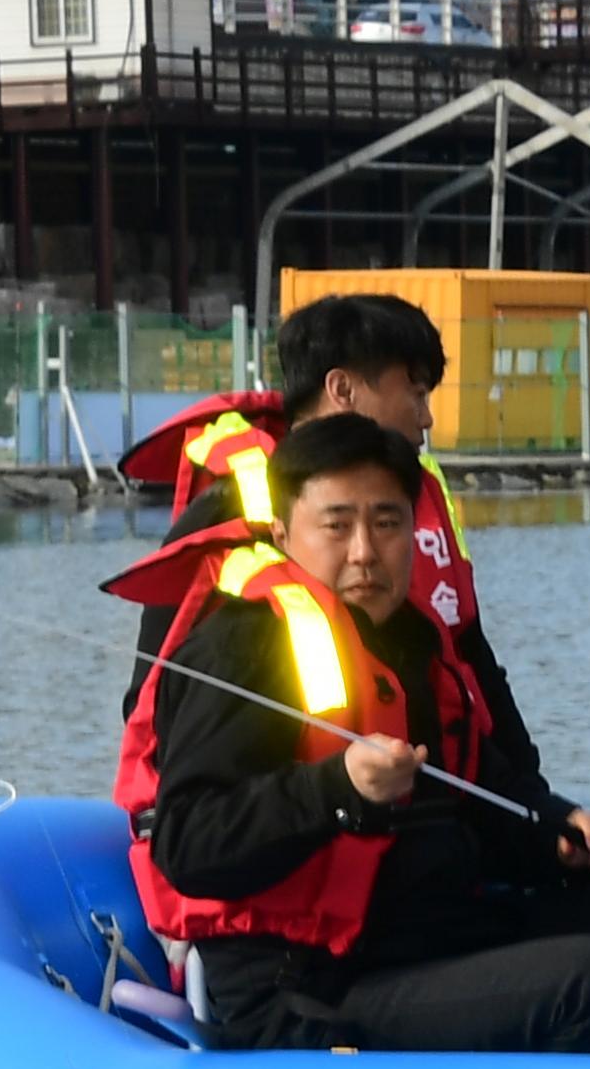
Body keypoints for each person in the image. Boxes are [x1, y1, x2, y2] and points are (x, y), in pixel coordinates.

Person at [115, 412, 590, 1056]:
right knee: (588, 980)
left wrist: (555, 832)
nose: (364, 550)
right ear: (282, 532)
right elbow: (187, 845)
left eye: (386, 523)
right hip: (311, 982)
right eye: (337, 525)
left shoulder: (412, 643)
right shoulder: (239, 644)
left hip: (439, 938)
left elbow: (474, 795)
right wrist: (338, 789)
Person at [118, 294, 518, 768]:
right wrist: (330, 793)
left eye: (386, 522)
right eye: (415, 393)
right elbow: (155, 694)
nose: (426, 417)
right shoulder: (231, 513)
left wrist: (544, 806)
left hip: (427, 792)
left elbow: (470, 655)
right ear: (342, 390)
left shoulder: (422, 493)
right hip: (297, 804)